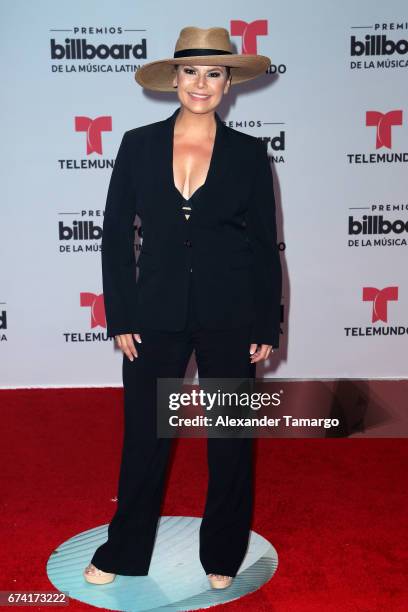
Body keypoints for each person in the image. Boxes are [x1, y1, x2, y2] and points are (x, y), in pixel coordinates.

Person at [83, 26, 282, 590]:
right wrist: (120, 315)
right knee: (144, 438)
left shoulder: (248, 152)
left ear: (229, 83)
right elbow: (116, 234)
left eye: (214, 73)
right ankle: (124, 549)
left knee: (229, 440)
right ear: (174, 78)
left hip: (231, 314)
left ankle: (222, 550)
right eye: (191, 71)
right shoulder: (137, 144)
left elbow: (264, 246)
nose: (201, 84)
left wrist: (267, 320)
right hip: (152, 315)